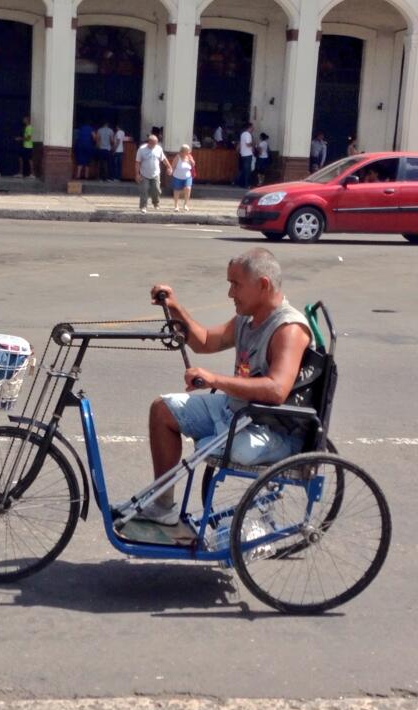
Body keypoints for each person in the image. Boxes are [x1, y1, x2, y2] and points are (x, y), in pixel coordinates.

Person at [139, 248, 313, 526]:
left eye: (236, 285)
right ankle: (162, 507)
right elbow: (206, 341)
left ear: (263, 285)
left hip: (271, 427)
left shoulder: (288, 328)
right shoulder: (248, 317)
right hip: (238, 412)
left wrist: (215, 380)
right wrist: (175, 308)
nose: (230, 294)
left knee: (209, 447)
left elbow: (277, 389)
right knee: (162, 411)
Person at [134, 134, 172, 213]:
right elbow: (137, 162)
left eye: (156, 143)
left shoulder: (159, 148)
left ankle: (156, 203)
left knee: (156, 190)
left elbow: (163, 159)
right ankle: (143, 206)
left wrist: (169, 167)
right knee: (144, 190)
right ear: (149, 142)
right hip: (144, 173)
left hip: (155, 173)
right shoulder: (141, 149)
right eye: (153, 143)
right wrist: (137, 174)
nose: (155, 145)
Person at [170, 144, 195, 212]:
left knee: (188, 188)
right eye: (187, 151)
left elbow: (193, 164)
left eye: (189, 151)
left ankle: (185, 205)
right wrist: (171, 171)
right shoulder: (177, 157)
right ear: (182, 151)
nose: (188, 152)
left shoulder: (189, 156)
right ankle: (176, 205)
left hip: (187, 176)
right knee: (177, 190)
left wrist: (191, 161)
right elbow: (173, 166)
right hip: (177, 176)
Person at [236, 122, 254, 187]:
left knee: (244, 169)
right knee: (247, 170)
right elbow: (248, 144)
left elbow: (240, 144)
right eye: (252, 127)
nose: (253, 128)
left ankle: (240, 182)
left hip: (243, 154)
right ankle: (247, 184)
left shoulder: (243, 134)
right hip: (248, 154)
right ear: (249, 127)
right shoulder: (248, 134)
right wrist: (254, 144)